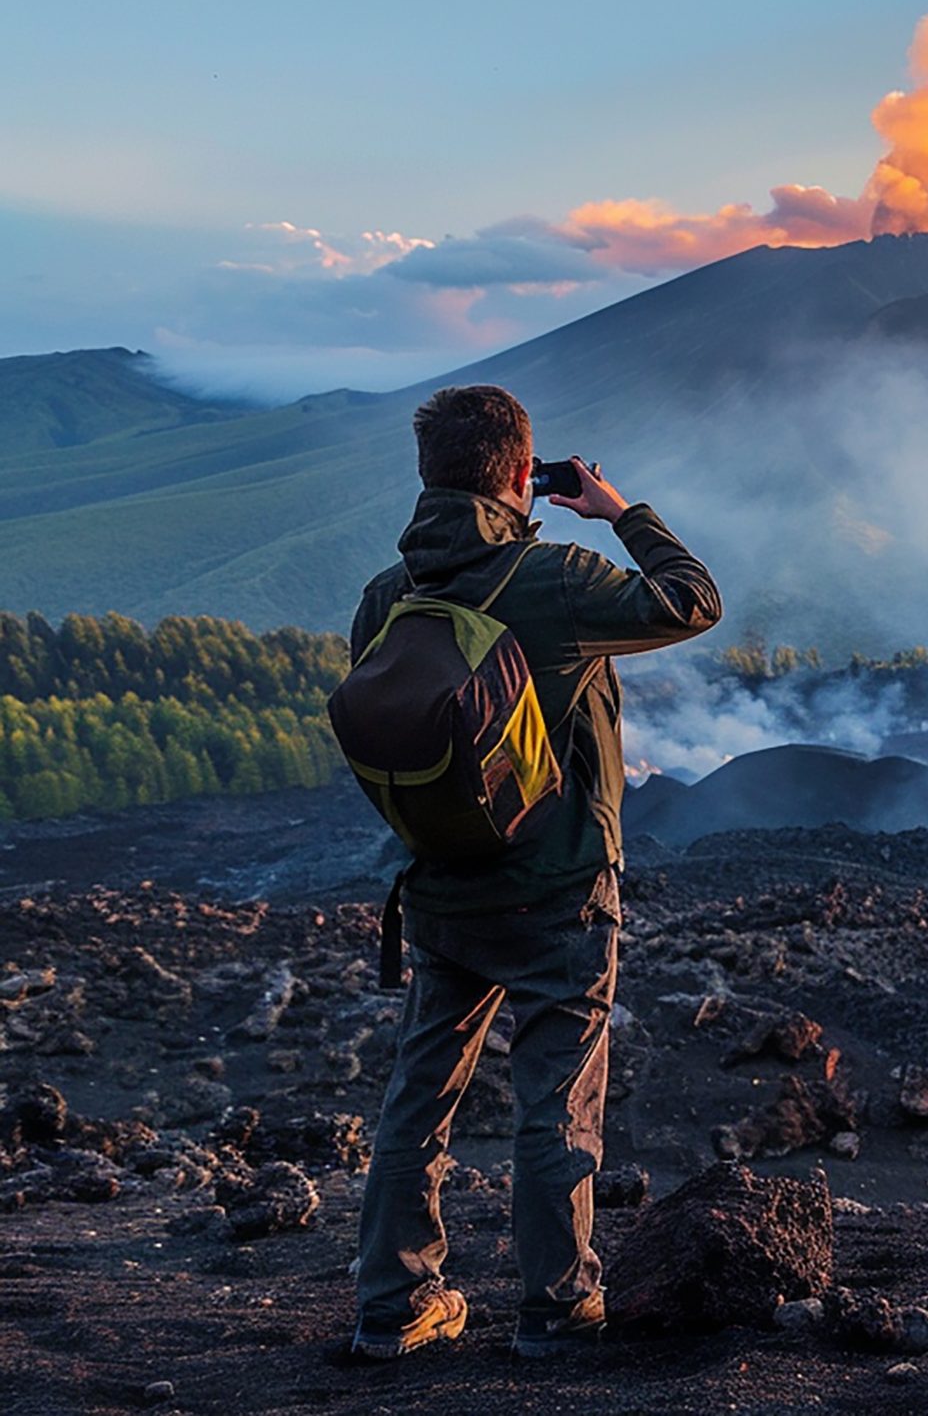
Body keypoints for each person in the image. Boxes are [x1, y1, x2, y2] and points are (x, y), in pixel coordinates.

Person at [347, 384, 720, 1359]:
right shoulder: (552, 577)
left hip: (439, 883)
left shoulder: (387, 599)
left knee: (418, 1097)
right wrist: (620, 511)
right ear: (522, 475)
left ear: (430, 475)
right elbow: (694, 600)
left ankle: (392, 1304)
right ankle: (554, 1306)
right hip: (558, 890)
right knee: (554, 1098)